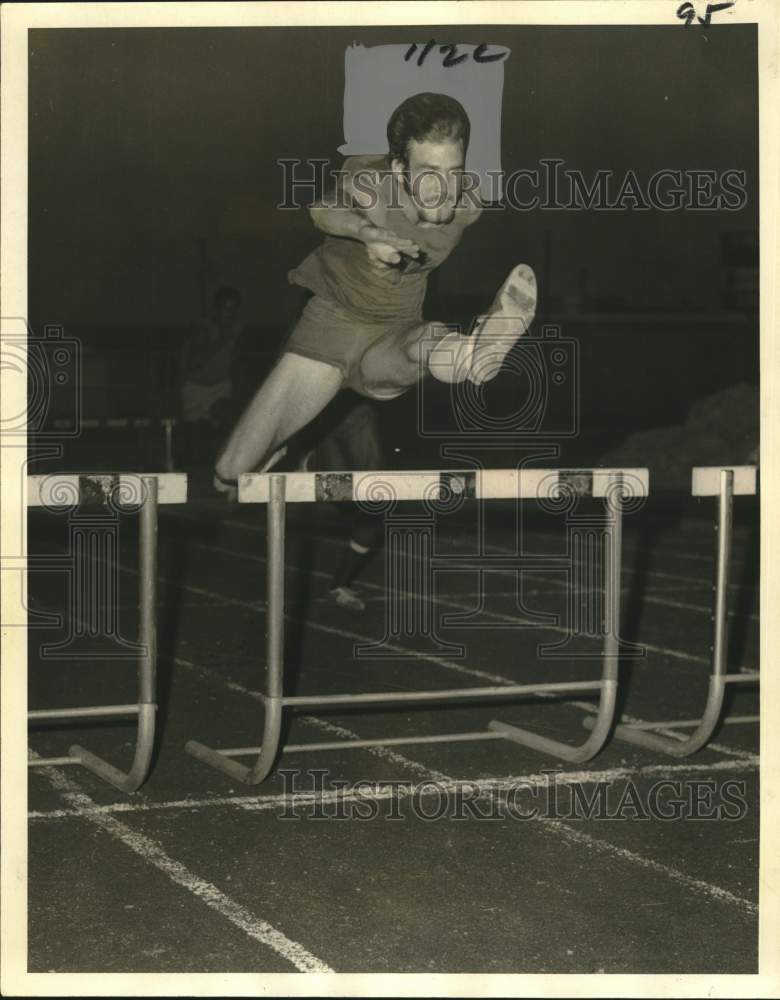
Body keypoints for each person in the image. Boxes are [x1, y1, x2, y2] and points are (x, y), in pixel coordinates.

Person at [214, 92, 537, 496]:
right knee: (230, 471)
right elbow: (323, 211)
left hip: (393, 332)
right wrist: (368, 233)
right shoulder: (372, 182)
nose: (443, 188)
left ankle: (477, 349)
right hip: (330, 329)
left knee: (426, 341)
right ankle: (270, 452)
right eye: (429, 172)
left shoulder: (468, 205)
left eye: (454, 171)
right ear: (399, 167)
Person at [179, 286, 244, 466]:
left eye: (233, 309)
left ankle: (226, 470)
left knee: (229, 422)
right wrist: (223, 338)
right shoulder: (203, 328)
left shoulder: (237, 327)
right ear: (216, 310)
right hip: (195, 389)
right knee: (195, 447)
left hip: (220, 387)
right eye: (225, 309)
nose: (229, 314)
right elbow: (195, 363)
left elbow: (235, 360)